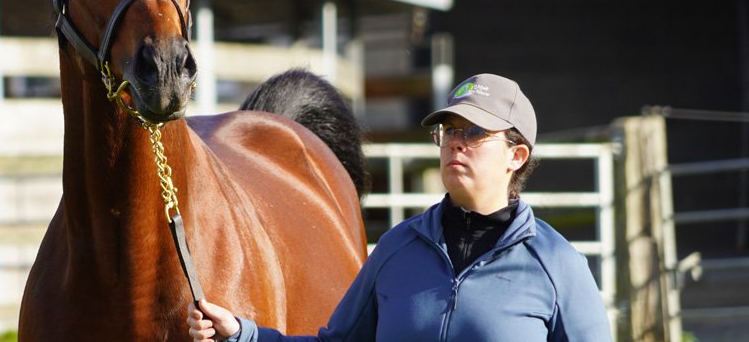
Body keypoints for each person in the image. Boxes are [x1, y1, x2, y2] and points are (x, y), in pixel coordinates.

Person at [187, 73, 612, 342]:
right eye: (449, 131)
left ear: (516, 156)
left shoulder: (556, 265)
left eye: (475, 132)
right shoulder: (398, 248)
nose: (456, 143)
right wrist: (243, 334)